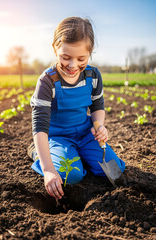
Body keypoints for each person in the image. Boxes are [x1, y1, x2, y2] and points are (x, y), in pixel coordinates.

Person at [28, 17, 125, 200]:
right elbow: (40, 125)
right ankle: (37, 152)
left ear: (90, 53)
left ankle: (80, 155)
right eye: (65, 57)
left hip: (86, 133)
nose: (72, 65)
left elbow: (97, 106)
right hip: (58, 137)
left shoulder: (93, 75)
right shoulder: (47, 81)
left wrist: (98, 126)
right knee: (71, 176)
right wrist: (49, 170)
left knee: (116, 169)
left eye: (81, 58)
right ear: (55, 48)